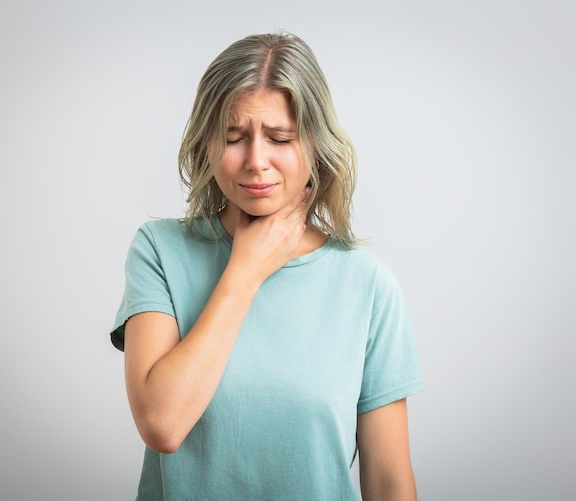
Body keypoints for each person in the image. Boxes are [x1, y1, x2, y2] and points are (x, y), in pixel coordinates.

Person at [110, 32, 424, 501]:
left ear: (317, 144)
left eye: (280, 138)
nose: (256, 162)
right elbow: (162, 424)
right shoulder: (160, 250)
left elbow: (389, 482)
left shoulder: (367, 284)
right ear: (207, 144)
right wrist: (245, 272)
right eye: (234, 138)